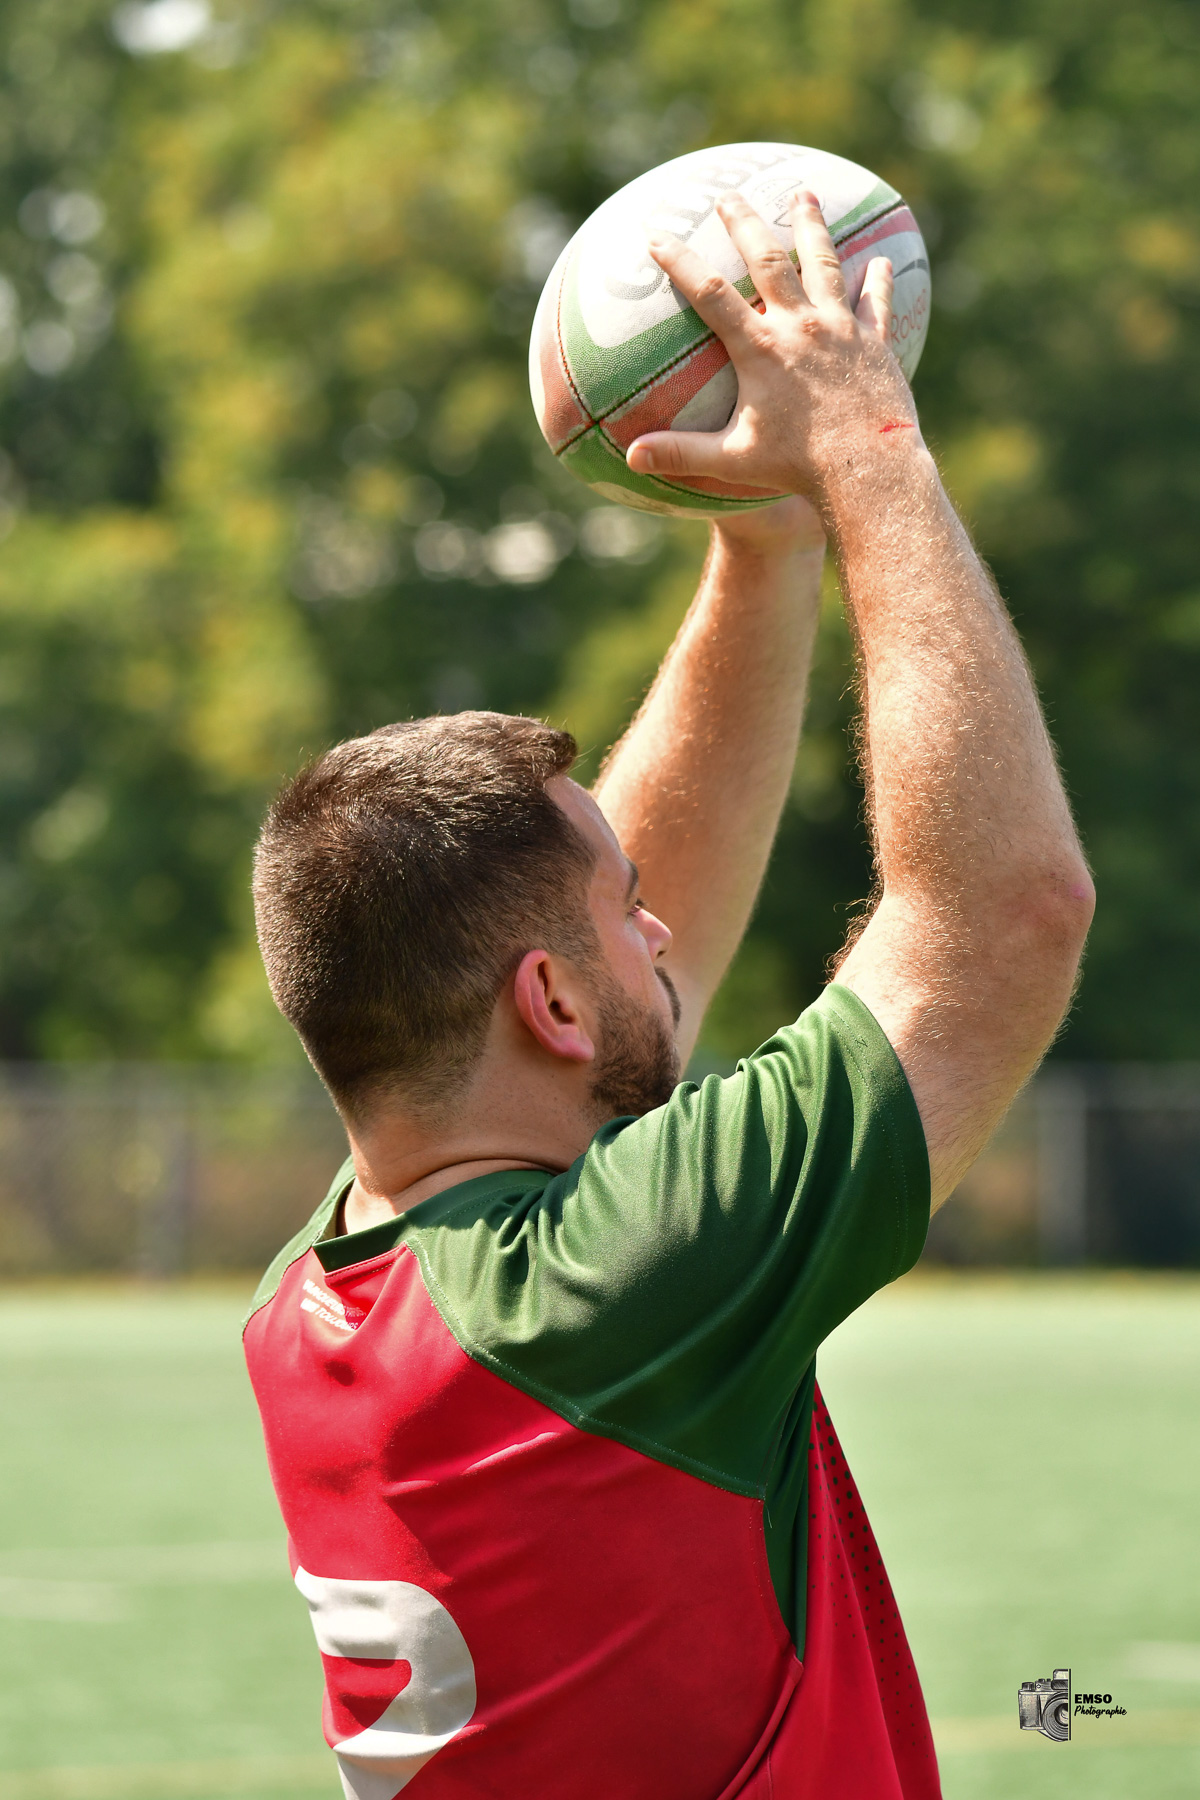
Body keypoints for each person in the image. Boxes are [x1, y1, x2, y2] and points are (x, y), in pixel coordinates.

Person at [243, 189, 1093, 1800]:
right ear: (555, 1009)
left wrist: (760, 552)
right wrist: (867, 455)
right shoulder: (617, 1296)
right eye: (627, 918)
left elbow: (612, 976)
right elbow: (1005, 920)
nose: (668, 932)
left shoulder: (324, 1295)